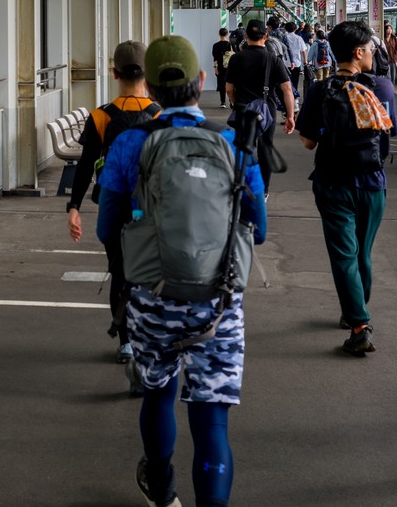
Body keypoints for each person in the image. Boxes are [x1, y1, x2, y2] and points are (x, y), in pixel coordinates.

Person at [96, 36, 267, 507]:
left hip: (154, 297)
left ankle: (162, 486)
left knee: (157, 395)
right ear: (203, 81)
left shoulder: (132, 143)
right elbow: (260, 230)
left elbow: (106, 228)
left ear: (149, 86)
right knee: (212, 421)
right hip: (220, 299)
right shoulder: (233, 141)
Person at [297, 21, 395, 355]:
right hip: (372, 184)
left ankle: (358, 324)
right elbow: (387, 133)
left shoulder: (318, 90)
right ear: (358, 53)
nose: (372, 53)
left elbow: (308, 142)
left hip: (332, 183)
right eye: (369, 48)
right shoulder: (382, 88)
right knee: (362, 252)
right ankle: (356, 311)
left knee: (343, 254)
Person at [66, 41, 162, 364]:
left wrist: (74, 207)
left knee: (119, 271)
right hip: (150, 208)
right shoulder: (160, 115)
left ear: (114, 73)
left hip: (113, 205)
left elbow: (83, 166)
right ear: (146, 73)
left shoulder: (101, 117)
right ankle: (148, 335)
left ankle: (125, 344)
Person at [225, 18, 295, 193]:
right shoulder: (273, 59)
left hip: (243, 109)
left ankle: (242, 184)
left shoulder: (237, 58)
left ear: (246, 36)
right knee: (265, 150)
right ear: (266, 35)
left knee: (243, 148)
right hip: (267, 112)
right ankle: (263, 189)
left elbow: (229, 89)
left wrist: (235, 102)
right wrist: (290, 116)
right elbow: (287, 89)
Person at [282, 21, 308, 108]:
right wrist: (305, 61)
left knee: (286, 84)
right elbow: (303, 51)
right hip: (296, 63)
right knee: (295, 82)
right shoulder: (298, 38)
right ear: (295, 29)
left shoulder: (283, 37)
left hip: (285, 63)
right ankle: (295, 104)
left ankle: (287, 104)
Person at [212, 28, 234, 108]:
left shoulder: (215, 45)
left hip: (220, 67)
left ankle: (223, 102)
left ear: (219, 34)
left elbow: (215, 58)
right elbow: (233, 56)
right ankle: (231, 101)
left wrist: (215, 67)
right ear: (227, 34)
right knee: (230, 84)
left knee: (221, 84)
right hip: (229, 67)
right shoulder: (230, 45)